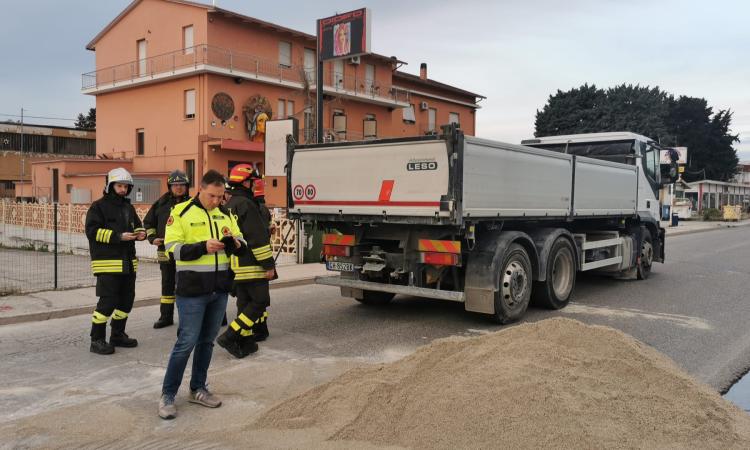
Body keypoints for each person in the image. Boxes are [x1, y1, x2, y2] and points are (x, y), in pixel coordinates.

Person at [158, 170, 246, 420]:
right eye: (212, 196)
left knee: (207, 342)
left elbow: (242, 242)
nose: (217, 201)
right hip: (192, 292)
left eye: (220, 196)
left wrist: (235, 244)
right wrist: (202, 247)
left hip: (218, 291)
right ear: (201, 189)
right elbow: (171, 249)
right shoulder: (181, 212)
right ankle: (167, 395)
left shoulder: (225, 213)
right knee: (186, 343)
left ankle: (198, 388)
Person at [85, 167, 146, 355]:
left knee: (126, 301)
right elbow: (92, 232)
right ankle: (97, 340)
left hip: (128, 264)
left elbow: (138, 226)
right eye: (119, 186)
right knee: (107, 303)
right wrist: (118, 236)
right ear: (110, 186)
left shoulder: (128, 207)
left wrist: (141, 233)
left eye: (126, 187)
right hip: (107, 264)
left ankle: (117, 335)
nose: (123, 190)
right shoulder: (98, 207)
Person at [216, 164, 275, 358]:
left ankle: (246, 341)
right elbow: (256, 237)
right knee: (260, 301)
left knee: (244, 303)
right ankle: (230, 336)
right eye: (253, 181)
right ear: (246, 182)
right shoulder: (246, 204)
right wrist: (268, 265)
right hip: (253, 263)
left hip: (237, 265)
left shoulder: (228, 205)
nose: (255, 185)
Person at [143, 170, 190, 329]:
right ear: (170, 186)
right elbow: (148, 222)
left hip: (185, 250)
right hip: (164, 250)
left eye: (182, 185)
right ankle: (166, 317)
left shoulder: (192, 204)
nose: (178, 188)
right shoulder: (161, 203)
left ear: (187, 186)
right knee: (167, 283)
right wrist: (152, 238)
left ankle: (187, 317)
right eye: (175, 185)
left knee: (186, 283)